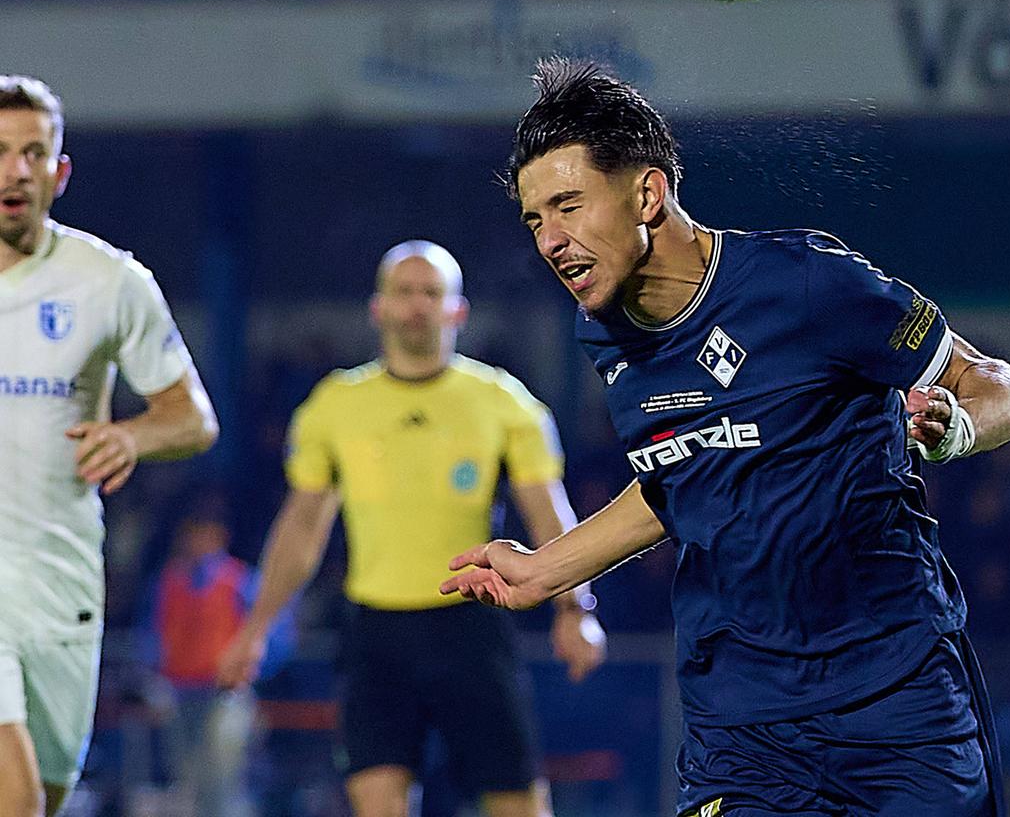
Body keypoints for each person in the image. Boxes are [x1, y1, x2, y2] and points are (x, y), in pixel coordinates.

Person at [441, 59, 1010, 817]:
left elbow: (1008, 392)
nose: (551, 241)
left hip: (898, 697)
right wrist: (544, 571)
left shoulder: (806, 283)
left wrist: (958, 428)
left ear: (647, 194)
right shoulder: (606, 335)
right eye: (535, 221)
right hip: (742, 725)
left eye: (568, 206)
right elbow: (684, 479)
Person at [216, 241, 605, 817]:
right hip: (375, 634)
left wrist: (576, 610)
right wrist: (256, 626)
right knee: (377, 802)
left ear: (458, 310)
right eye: (404, 292)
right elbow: (301, 526)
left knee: (518, 803)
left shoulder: (502, 402)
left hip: (471, 627)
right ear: (378, 307)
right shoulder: (335, 405)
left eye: (431, 293)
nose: (417, 305)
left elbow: (549, 514)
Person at [0, 75, 220, 817]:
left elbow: (193, 418)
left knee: (47, 792)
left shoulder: (109, 282)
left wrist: (131, 435)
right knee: (16, 796)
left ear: (59, 172)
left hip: (61, 585)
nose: (16, 170)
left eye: (34, 153)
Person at [147, 503, 257, 817]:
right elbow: (152, 633)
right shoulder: (169, 581)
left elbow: (272, 634)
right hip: (180, 693)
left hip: (225, 694)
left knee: (223, 777)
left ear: (219, 537)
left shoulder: (240, 580)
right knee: (186, 778)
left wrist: (247, 669)